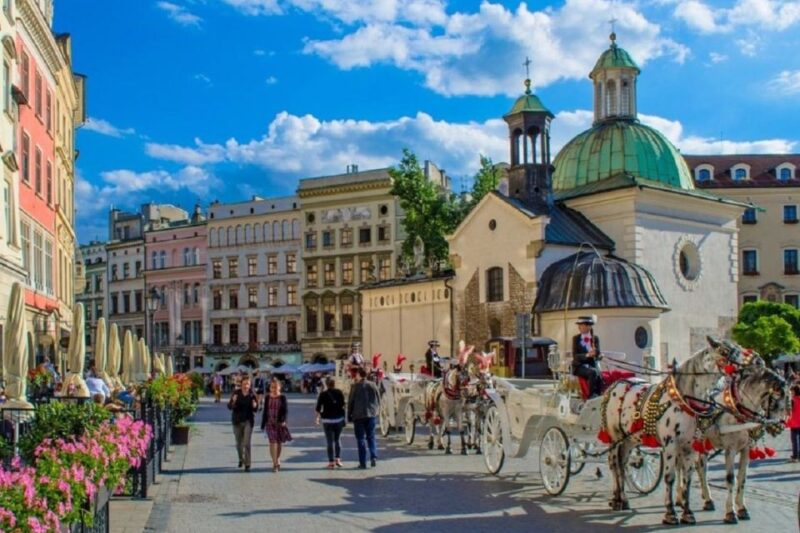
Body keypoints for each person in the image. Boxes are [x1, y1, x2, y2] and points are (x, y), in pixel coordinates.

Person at [347, 367, 380, 469]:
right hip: (371, 415)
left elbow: (351, 401)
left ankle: (363, 462)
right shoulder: (373, 385)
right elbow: (378, 398)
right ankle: (373, 456)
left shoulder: (355, 386)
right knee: (371, 437)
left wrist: (349, 415)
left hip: (358, 416)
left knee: (360, 439)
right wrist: (376, 410)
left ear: (359, 375)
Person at [228, 375, 258, 472]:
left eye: (248, 384)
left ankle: (247, 464)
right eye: (244, 384)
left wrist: (255, 406)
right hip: (237, 421)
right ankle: (241, 459)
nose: (246, 386)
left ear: (250, 385)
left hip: (248, 421)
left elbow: (255, 409)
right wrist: (233, 401)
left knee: (246, 443)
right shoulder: (236, 393)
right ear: (241, 384)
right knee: (238, 444)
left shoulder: (252, 394)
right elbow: (229, 406)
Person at [316, 377, 346, 469]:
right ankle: (338, 459)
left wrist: (318, 417)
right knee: (337, 440)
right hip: (338, 419)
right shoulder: (339, 392)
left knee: (329, 441)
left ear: (326, 384)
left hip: (327, 420)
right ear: (334, 383)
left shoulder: (323, 394)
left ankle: (331, 462)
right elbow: (343, 405)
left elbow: (318, 408)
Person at [261, 378, 290, 472]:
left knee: (279, 442)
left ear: (279, 387)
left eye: (275, 387)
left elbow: (285, 410)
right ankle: (274, 463)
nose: (273, 389)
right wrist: (263, 423)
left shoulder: (282, 397)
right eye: (272, 387)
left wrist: (284, 420)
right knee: (272, 442)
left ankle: (277, 458)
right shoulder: (267, 397)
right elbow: (265, 410)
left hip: (279, 423)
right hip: (270, 422)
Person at [572, 316, 603, 398]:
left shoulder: (595, 338)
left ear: (588, 326)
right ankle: (590, 396)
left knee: (599, 374)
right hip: (579, 366)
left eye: (581, 325)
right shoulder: (576, 339)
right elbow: (575, 356)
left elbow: (598, 352)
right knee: (593, 372)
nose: (579, 327)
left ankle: (599, 395)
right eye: (579, 325)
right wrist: (587, 355)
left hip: (591, 364)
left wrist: (597, 354)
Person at [789, 384, 800, 462]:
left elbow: (790, 410)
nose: (791, 392)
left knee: (794, 439)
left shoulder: (793, 400)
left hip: (795, 422)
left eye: (792, 391)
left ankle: (795, 456)